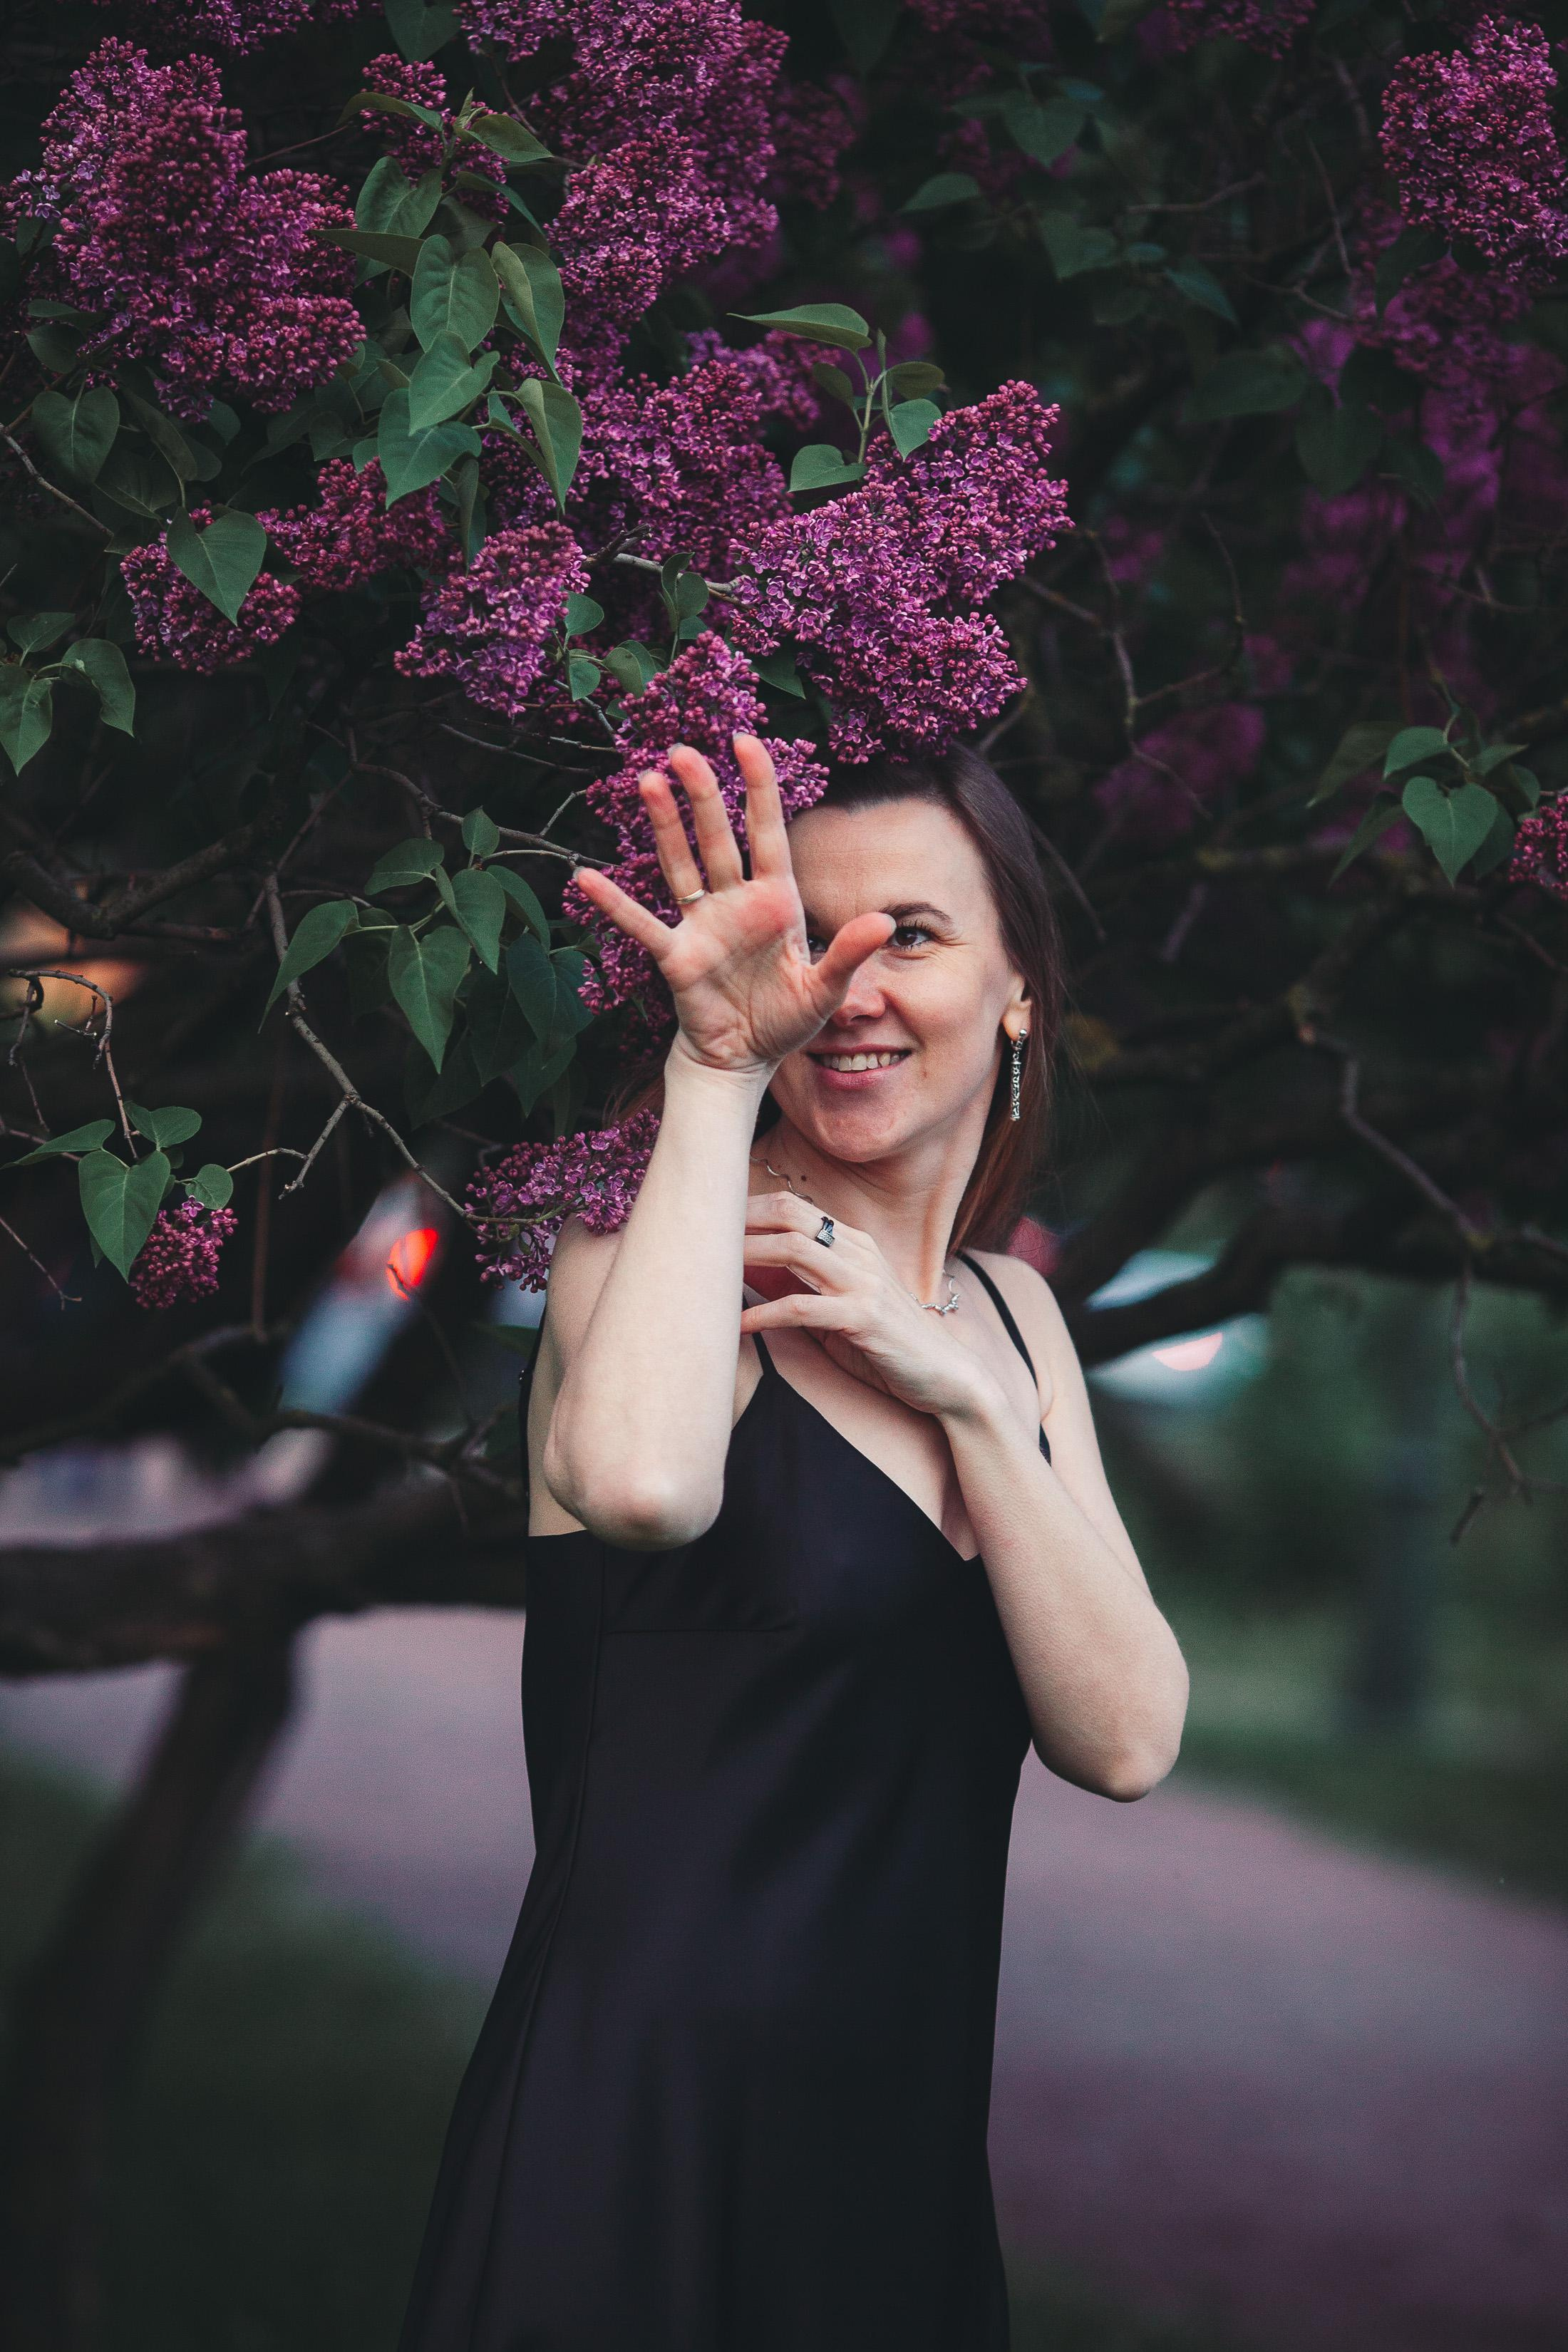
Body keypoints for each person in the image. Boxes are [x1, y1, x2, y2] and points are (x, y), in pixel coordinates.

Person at [398, 733, 1189, 2352]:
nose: (848, 983)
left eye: (910, 932)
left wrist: (967, 1405)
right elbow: (636, 1489)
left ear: (1022, 987)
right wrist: (711, 1072)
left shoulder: (1015, 1326)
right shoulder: (647, 1252)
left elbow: (1124, 1737)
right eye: (804, 932)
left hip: (892, 2169)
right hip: (627, 2140)